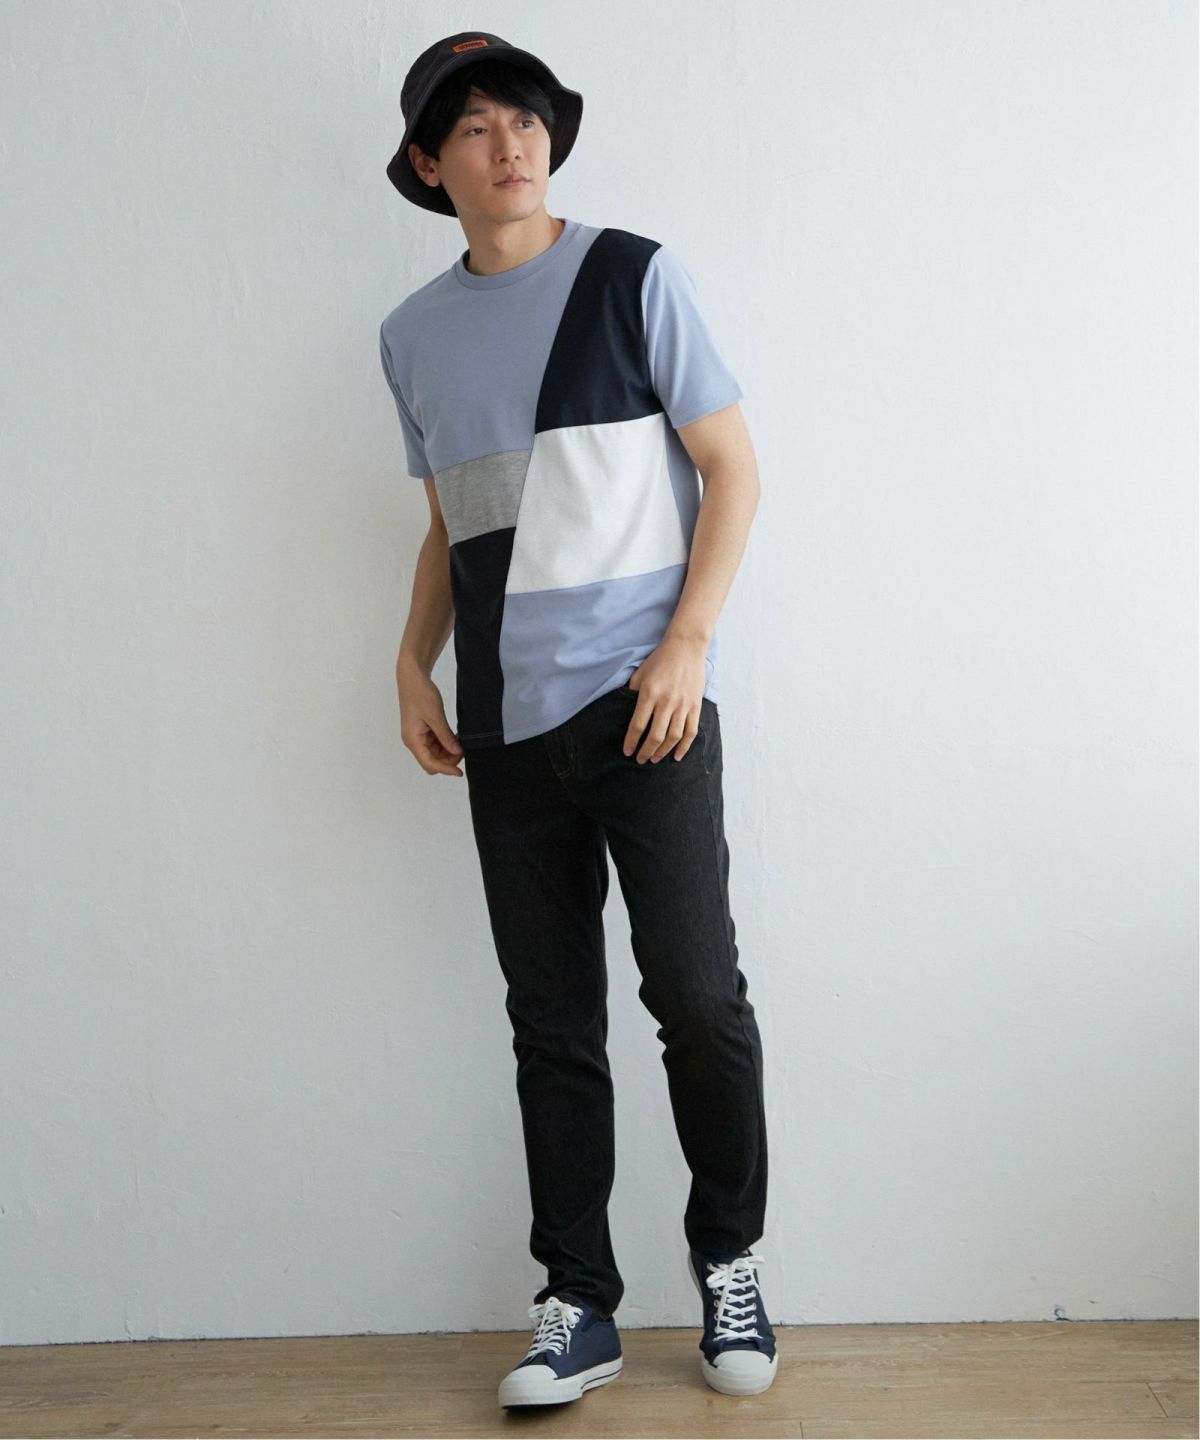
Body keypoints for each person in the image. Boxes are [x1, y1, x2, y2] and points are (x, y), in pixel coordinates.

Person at [378, 31, 776, 1411]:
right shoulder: (412, 336)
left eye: (527, 119)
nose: (512, 144)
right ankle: (579, 1303)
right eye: (476, 127)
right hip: (503, 724)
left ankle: (730, 1261)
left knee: (698, 1000)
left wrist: (686, 647)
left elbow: (732, 470)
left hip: (646, 705)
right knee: (551, 1024)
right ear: (431, 164)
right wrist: (410, 660)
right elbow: (452, 519)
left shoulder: (632, 276)